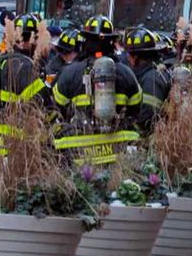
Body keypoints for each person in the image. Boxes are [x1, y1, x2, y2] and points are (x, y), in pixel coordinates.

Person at [51, 17, 142, 166]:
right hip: (117, 155)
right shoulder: (127, 73)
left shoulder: (69, 73)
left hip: (78, 156)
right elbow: (136, 109)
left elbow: (55, 110)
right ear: (112, 42)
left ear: (85, 41)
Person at [0, 14, 50, 156]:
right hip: (20, 137)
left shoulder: (2, 61)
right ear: (31, 38)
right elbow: (41, 101)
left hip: (0, 135)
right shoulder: (25, 65)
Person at [124, 26, 171, 135]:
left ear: (136, 57)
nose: (127, 58)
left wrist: (131, 129)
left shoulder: (151, 79)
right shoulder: (151, 73)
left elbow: (148, 116)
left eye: (129, 54)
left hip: (149, 142)